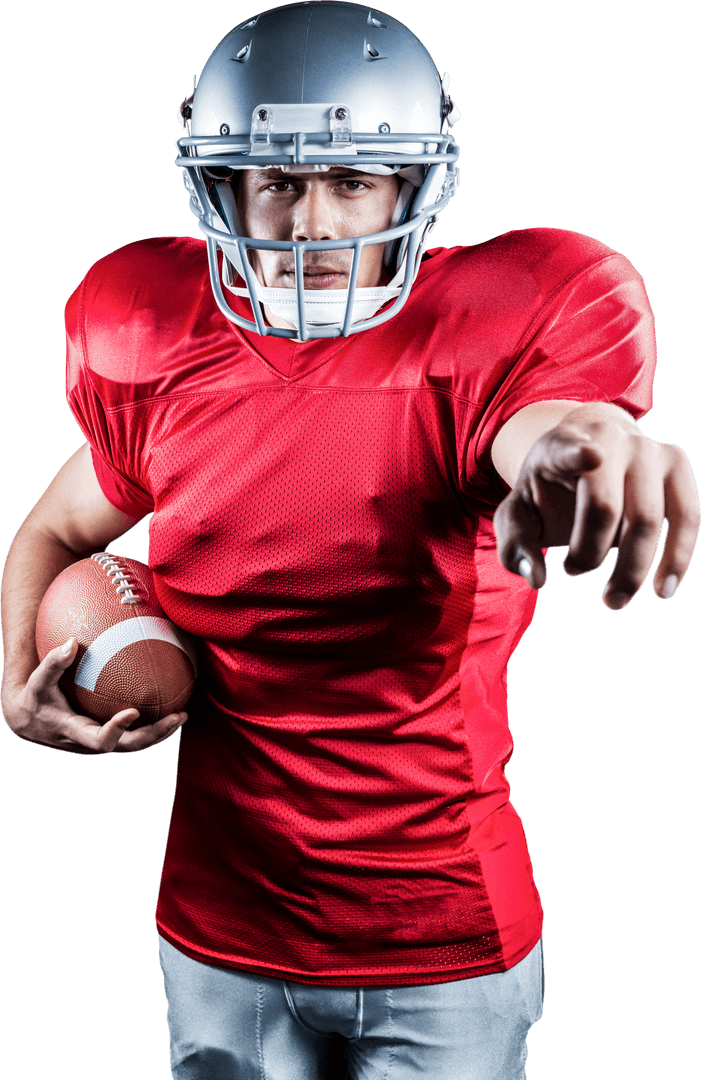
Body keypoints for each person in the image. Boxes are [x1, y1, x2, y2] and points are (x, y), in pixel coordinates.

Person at [1, 3, 699, 1078]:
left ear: (414, 185)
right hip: (219, 920)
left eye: (352, 179)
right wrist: (16, 677)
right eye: (277, 182)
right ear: (222, 185)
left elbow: (546, 426)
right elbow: (56, 523)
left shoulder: (485, 336)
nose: (314, 225)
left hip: (439, 934)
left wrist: (588, 446)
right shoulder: (158, 341)